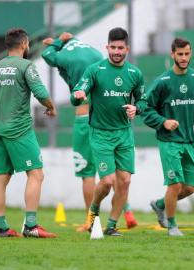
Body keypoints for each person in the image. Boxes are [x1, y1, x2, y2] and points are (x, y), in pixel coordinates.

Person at [41, 32, 138, 231]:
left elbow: (47, 54)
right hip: (111, 119)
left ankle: (90, 221)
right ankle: (126, 211)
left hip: (86, 120)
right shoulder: (94, 55)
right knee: (119, 176)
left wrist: (57, 43)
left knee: (89, 174)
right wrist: (65, 39)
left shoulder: (64, 57)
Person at [71, 27, 146, 236]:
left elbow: (143, 100)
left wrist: (136, 108)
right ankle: (93, 211)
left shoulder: (134, 74)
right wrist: (77, 95)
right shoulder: (95, 70)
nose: (116, 51)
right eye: (112, 47)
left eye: (120, 48)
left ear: (127, 49)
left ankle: (111, 226)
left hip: (124, 134)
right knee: (107, 181)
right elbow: (79, 92)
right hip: (100, 133)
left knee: (125, 181)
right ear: (107, 47)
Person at [0, 28, 57, 238]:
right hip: (19, 129)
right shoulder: (26, 66)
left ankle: (2, 228)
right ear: (25, 44)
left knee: (0, 178)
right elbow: (41, 93)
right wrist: (51, 107)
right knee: (36, 174)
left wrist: (2, 111)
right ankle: (31, 225)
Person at [142, 37, 194, 236]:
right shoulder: (162, 82)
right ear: (172, 54)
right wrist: (163, 122)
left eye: (186, 54)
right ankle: (172, 226)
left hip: (190, 140)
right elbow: (145, 109)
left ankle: (159, 204)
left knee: (189, 188)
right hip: (169, 141)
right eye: (179, 54)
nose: (183, 58)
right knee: (175, 184)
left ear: (190, 54)